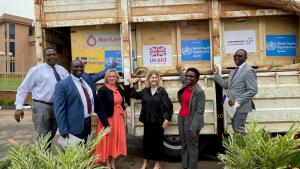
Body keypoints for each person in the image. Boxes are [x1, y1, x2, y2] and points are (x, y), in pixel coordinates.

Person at [14, 48, 69, 142]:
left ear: (57, 56)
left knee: (52, 133)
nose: (52, 56)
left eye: (54, 54)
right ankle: (43, 156)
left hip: (58, 106)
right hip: (42, 106)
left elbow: (70, 86)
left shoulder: (62, 70)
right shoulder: (36, 70)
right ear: (44, 57)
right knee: (43, 135)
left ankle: (45, 155)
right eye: (49, 55)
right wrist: (19, 107)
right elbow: (23, 88)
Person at [53, 60, 116, 141]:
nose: (79, 69)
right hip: (73, 125)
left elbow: (99, 75)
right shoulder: (62, 85)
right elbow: (59, 109)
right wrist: (63, 129)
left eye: (81, 67)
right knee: (74, 151)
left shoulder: (87, 79)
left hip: (87, 122)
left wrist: (111, 67)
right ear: (71, 68)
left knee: (86, 148)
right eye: (76, 67)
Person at [128, 70, 173, 169]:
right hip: (147, 121)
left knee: (157, 143)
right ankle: (145, 163)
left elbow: (168, 106)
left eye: (155, 77)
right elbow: (134, 95)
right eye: (152, 77)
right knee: (147, 143)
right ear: (148, 79)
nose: (154, 79)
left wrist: (167, 119)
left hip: (158, 122)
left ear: (158, 79)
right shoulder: (146, 90)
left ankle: (158, 163)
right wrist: (131, 83)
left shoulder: (161, 91)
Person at [213, 49, 258, 134]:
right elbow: (226, 85)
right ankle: (240, 147)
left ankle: (244, 147)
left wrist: (237, 101)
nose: (236, 58)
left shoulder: (249, 71)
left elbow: (253, 90)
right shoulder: (233, 71)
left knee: (239, 131)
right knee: (236, 130)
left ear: (246, 58)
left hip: (241, 107)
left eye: (240, 56)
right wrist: (217, 75)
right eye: (235, 56)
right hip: (232, 107)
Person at [94, 69, 130, 168]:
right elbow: (100, 109)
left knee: (116, 140)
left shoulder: (118, 87)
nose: (112, 78)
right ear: (106, 78)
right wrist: (106, 125)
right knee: (108, 141)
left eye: (114, 76)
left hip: (118, 119)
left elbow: (125, 97)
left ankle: (113, 161)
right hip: (107, 120)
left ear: (117, 78)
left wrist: (131, 84)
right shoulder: (103, 90)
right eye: (110, 76)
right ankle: (107, 162)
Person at [177, 66, 205, 169]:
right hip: (181, 118)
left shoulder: (199, 91)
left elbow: (200, 111)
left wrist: (193, 129)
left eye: (191, 76)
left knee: (192, 146)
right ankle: (185, 166)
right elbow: (183, 78)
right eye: (187, 75)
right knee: (184, 143)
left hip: (192, 120)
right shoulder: (186, 84)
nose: (188, 78)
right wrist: (180, 71)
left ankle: (192, 167)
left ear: (196, 78)